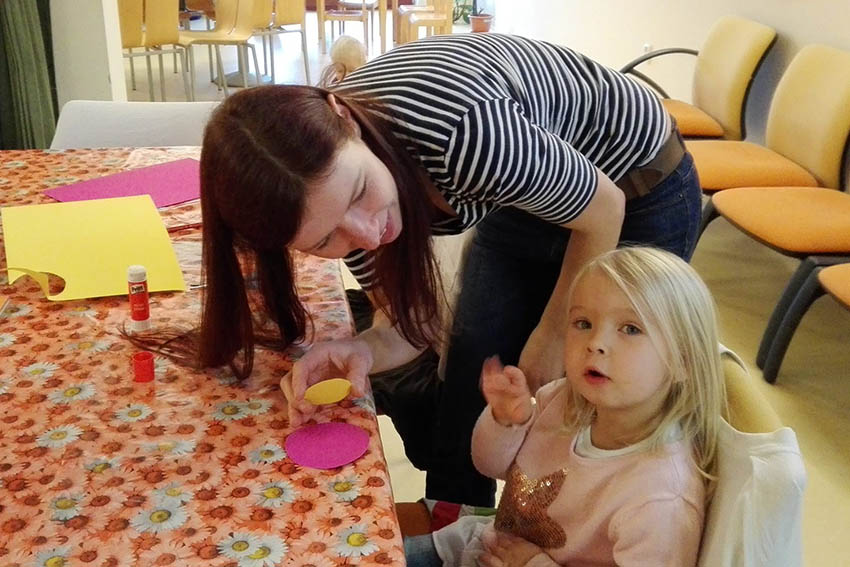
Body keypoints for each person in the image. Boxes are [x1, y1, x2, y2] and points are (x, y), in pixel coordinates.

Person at [196, 32, 702, 506]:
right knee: (470, 371)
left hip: (635, 183)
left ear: (344, 118)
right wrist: (363, 348)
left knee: (606, 386)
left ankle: (581, 534)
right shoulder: (332, 202)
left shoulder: (464, 135)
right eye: (326, 240)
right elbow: (411, 328)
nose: (368, 235)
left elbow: (603, 208)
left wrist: (554, 334)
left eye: (359, 192)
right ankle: (456, 522)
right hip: (528, 196)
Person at [403, 246, 726, 567]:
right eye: (583, 323)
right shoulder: (562, 400)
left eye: (630, 329)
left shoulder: (662, 498)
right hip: (481, 545)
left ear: (684, 362)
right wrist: (506, 422)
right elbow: (489, 466)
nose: (596, 343)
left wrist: (534, 564)